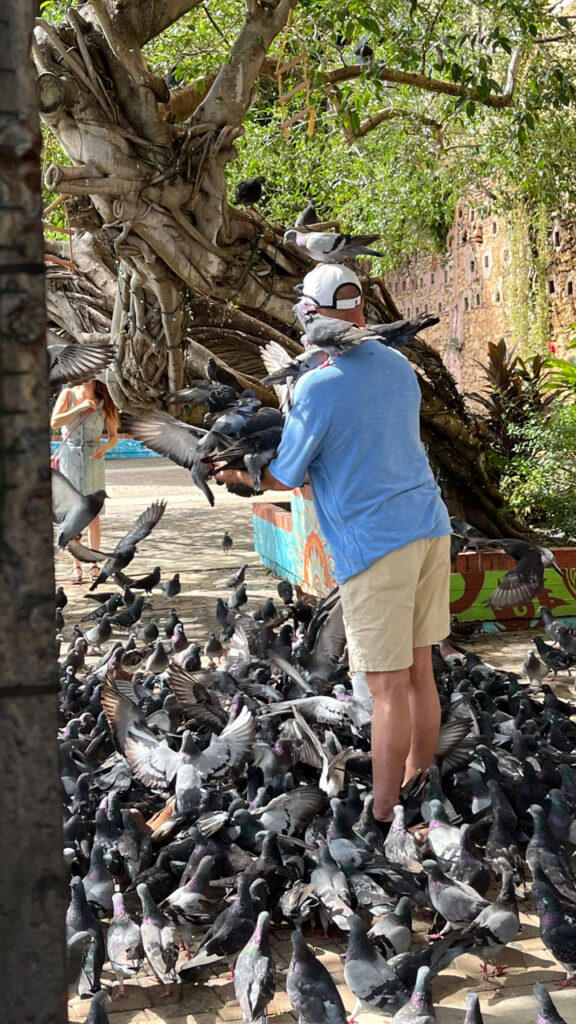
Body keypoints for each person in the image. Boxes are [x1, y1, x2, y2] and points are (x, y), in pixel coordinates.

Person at [215, 263, 451, 830]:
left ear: (311, 317)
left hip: (375, 548)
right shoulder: (399, 366)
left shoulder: (319, 386)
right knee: (421, 669)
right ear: (362, 313)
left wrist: (240, 476)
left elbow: (288, 474)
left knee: (387, 687)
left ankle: (384, 811)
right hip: (429, 528)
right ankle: (419, 775)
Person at [51, 378, 119, 583]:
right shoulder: (68, 395)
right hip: (70, 458)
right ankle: (76, 566)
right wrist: (78, 408)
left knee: (93, 516)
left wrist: (104, 448)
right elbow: (54, 423)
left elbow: (114, 435)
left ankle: (95, 564)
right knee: (74, 515)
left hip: (93, 460)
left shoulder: (105, 400)